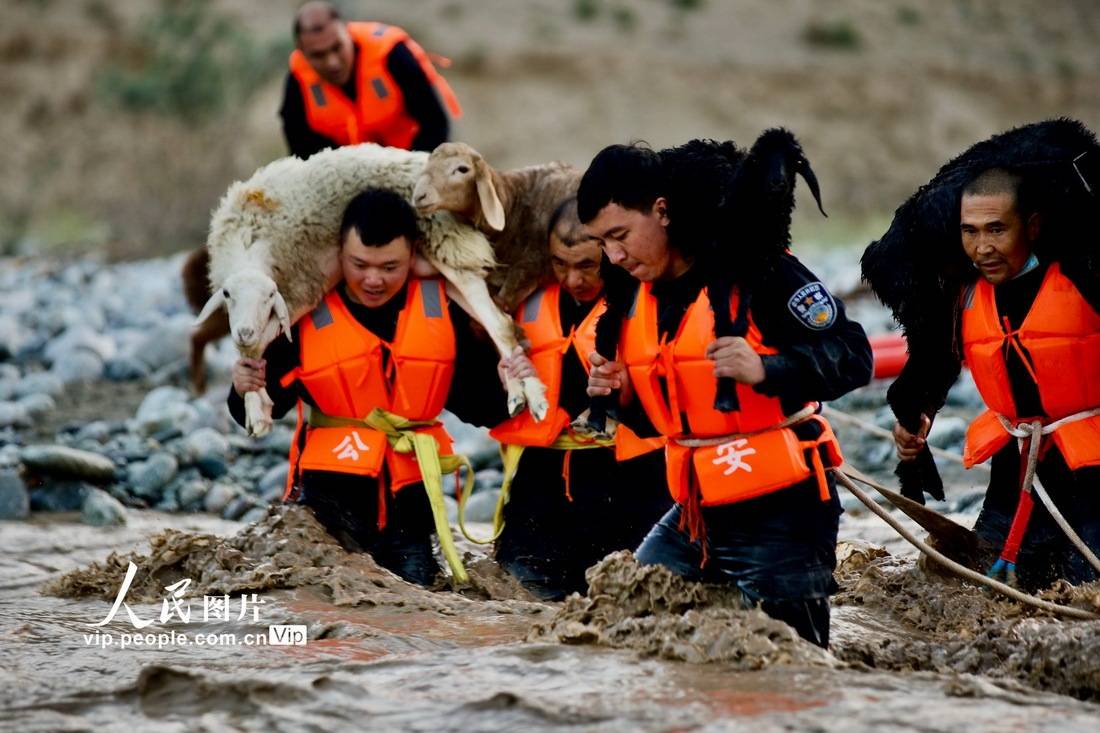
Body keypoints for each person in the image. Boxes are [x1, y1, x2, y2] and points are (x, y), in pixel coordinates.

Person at [577, 144, 873, 648]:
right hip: (697, 511)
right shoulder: (631, 297)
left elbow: (853, 355)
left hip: (785, 510)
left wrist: (767, 368)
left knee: (795, 666)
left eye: (620, 235)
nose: (614, 256)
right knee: (623, 625)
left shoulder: (760, 270)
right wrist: (624, 396)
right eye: (601, 242)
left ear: (662, 211)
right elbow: (665, 423)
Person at [229, 188, 508, 586]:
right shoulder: (304, 312)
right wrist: (242, 389)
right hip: (326, 512)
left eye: (389, 267)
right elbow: (255, 416)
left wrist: (502, 363)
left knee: (420, 613)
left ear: (413, 256)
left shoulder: (442, 308)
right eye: (359, 264)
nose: (373, 279)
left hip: (409, 516)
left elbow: (485, 408)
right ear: (339, 254)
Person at [892, 167, 1100, 590]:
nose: (982, 247)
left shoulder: (1087, 276)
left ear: (1033, 226)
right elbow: (942, 357)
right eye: (970, 232)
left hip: (1092, 470)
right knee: (975, 585)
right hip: (1015, 464)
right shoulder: (964, 291)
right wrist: (922, 412)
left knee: (1083, 590)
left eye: (996, 229)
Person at [487, 198, 671, 600]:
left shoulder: (653, 301)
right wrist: (501, 381)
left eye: (587, 265)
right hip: (543, 488)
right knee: (517, 601)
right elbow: (475, 401)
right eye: (559, 264)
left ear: (611, 252)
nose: (573, 279)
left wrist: (629, 390)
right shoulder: (523, 302)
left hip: (633, 484)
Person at [280, 1, 461, 159]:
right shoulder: (298, 81)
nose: (332, 62)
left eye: (337, 47)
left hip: (412, 164)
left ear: (347, 32)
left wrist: (412, 174)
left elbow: (435, 124)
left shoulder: (392, 54)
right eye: (318, 55)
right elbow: (303, 153)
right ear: (302, 52)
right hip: (351, 180)